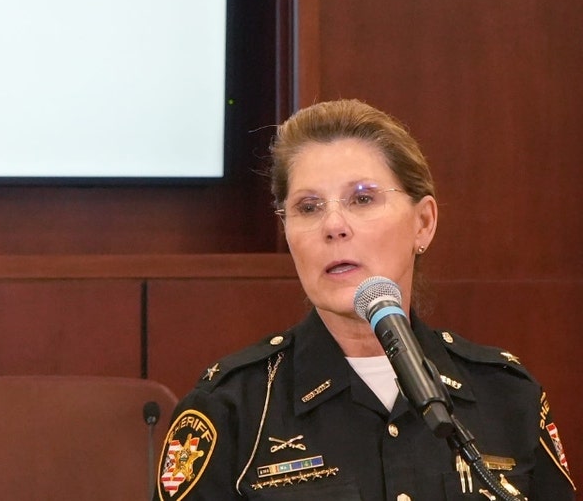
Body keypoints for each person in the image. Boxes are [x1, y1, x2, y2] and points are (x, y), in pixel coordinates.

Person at [155, 99, 574, 500]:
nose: (333, 225)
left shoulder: (506, 395)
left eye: (363, 198)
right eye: (308, 207)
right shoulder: (232, 408)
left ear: (423, 223)